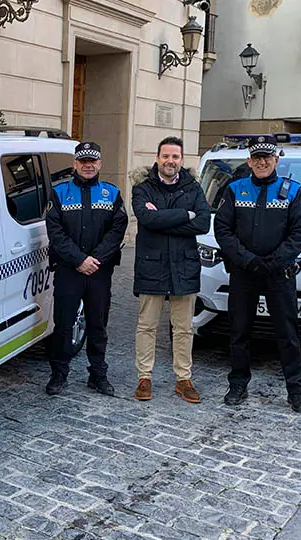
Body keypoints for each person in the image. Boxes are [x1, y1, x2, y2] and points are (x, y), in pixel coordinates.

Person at [213, 134, 301, 413]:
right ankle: (238, 383)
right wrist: (247, 260)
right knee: (239, 331)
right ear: (249, 161)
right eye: (257, 158)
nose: (262, 162)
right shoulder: (234, 189)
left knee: (287, 334)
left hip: (278, 273)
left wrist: (274, 261)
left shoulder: (292, 190)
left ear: (276, 160)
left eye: (267, 157)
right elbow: (223, 230)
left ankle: (296, 390)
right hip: (244, 272)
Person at [130, 136, 211, 403]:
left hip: (183, 266)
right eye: (166, 156)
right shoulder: (142, 187)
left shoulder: (193, 188)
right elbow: (146, 218)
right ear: (157, 158)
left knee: (184, 327)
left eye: (175, 157)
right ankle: (144, 377)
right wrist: (183, 214)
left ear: (181, 160)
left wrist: (162, 218)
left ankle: (183, 379)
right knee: (146, 326)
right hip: (151, 266)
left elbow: (202, 224)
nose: (170, 161)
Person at [45, 141, 129, 396]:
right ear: (75, 164)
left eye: (92, 161)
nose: (88, 165)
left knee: (98, 324)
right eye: (83, 161)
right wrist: (79, 260)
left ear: (100, 164)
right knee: (63, 324)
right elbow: (55, 233)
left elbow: (117, 231)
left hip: (99, 272)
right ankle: (59, 374)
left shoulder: (111, 194)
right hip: (69, 271)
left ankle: (98, 374)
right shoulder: (59, 193)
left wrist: (96, 260)